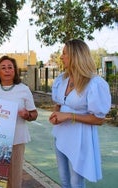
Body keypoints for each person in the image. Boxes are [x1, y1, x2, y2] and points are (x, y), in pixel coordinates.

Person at [49, 39, 111, 188]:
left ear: (75, 56)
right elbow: (59, 103)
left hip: (79, 138)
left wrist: (69, 116)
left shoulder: (94, 83)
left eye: (65, 54)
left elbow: (99, 119)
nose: (61, 57)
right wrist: (56, 114)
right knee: (64, 181)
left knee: (76, 183)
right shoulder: (62, 80)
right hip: (60, 135)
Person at [0, 55, 38, 188]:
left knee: (14, 178)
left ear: (15, 71)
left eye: (10, 67)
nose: (7, 70)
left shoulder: (23, 89)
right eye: (3, 68)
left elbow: (34, 114)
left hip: (16, 140)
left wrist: (27, 115)